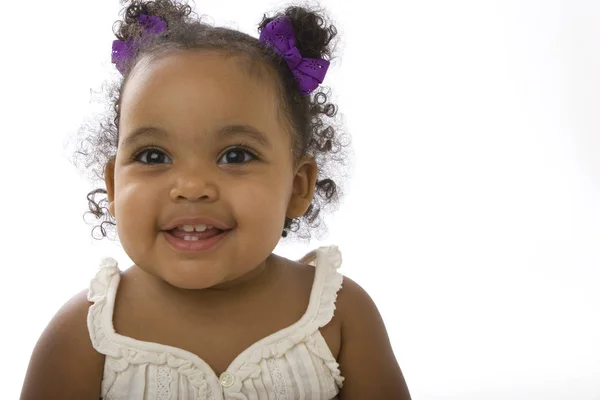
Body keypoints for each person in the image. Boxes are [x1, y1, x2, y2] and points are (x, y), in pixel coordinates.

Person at [20, 0, 411, 398]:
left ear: (297, 187)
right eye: (153, 156)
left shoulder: (338, 316)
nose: (191, 186)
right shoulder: (86, 336)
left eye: (235, 155)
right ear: (115, 188)